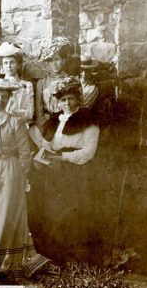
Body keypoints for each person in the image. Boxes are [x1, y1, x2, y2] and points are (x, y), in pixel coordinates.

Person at [0, 77, 51, 279]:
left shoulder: (15, 122)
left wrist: (22, 176)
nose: (0, 100)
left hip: (9, 168)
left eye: (4, 96)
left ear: (9, 98)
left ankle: (6, 264)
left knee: (6, 214)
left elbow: (25, 153)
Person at [30, 77, 100, 263]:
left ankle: (75, 258)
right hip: (54, 172)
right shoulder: (54, 120)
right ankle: (55, 257)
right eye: (63, 100)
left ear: (77, 99)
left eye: (70, 98)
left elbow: (88, 152)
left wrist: (63, 158)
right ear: (58, 102)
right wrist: (41, 158)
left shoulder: (88, 120)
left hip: (76, 173)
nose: (67, 103)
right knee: (53, 212)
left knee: (73, 213)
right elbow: (47, 145)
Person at [34, 37, 74, 133]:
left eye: (57, 59)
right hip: (47, 122)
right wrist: (42, 125)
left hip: (66, 120)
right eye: (51, 61)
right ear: (47, 63)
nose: (54, 64)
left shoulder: (71, 80)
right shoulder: (42, 83)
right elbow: (39, 109)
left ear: (63, 60)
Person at [0, 42, 34, 125]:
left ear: (18, 65)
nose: (8, 66)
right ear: (2, 66)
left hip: (21, 124)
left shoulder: (27, 85)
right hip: (2, 125)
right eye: (5, 63)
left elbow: (30, 113)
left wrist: (14, 114)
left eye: (12, 62)